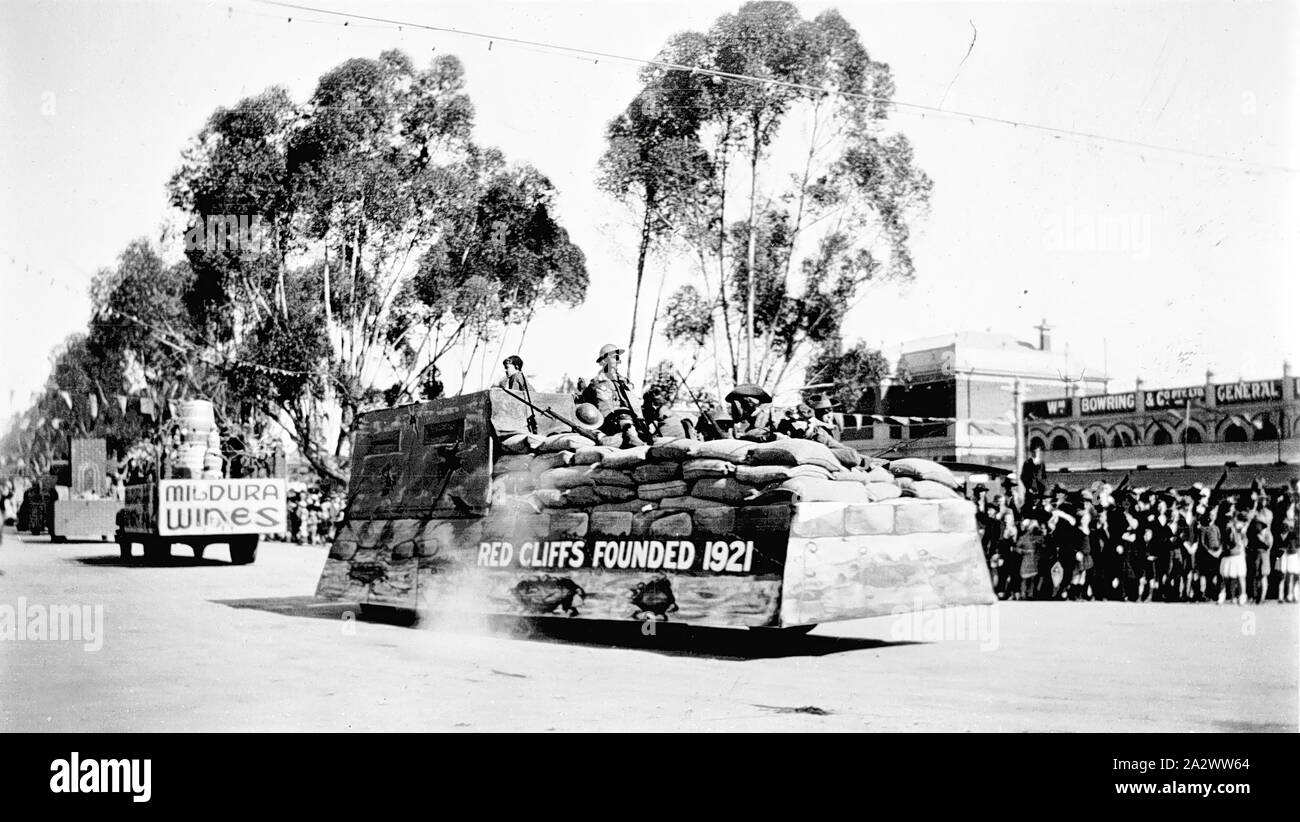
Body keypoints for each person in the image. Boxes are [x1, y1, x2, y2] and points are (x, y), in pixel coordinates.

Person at [583, 344, 637, 418]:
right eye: (615, 357)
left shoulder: (624, 382)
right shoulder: (597, 384)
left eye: (618, 357)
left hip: (629, 421)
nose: (618, 360)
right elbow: (604, 412)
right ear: (604, 360)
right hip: (610, 424)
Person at [1019, 444, 1048, 512]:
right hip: (1031, 490)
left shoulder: (1041, 464)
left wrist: (1044, 486)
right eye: (1037, 451)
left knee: (1040, 507)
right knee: (1030, 507)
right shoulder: (1027, 463)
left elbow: (1044, 477)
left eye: (1040, 451)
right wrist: (1029, 488)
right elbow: (1023, 477)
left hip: (1040, 490)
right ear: (1033, 452)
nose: (1039, 453)